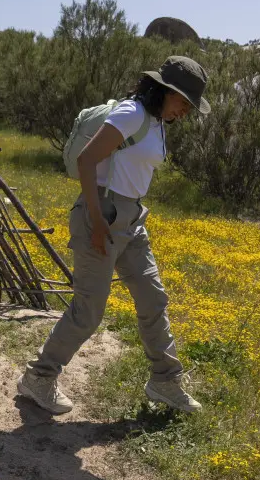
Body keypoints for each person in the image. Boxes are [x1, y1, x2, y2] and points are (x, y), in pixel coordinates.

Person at [16, 55, 210, 415]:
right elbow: (87, 161)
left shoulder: (156, 121)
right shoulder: (132, 114)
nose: (185, 111)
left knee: (153, 299)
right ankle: (38, 378)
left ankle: (165, 381)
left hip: (132, 219)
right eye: (184, 102)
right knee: (89, 312)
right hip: (101, 216)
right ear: (166, 91)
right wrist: (96, 219)